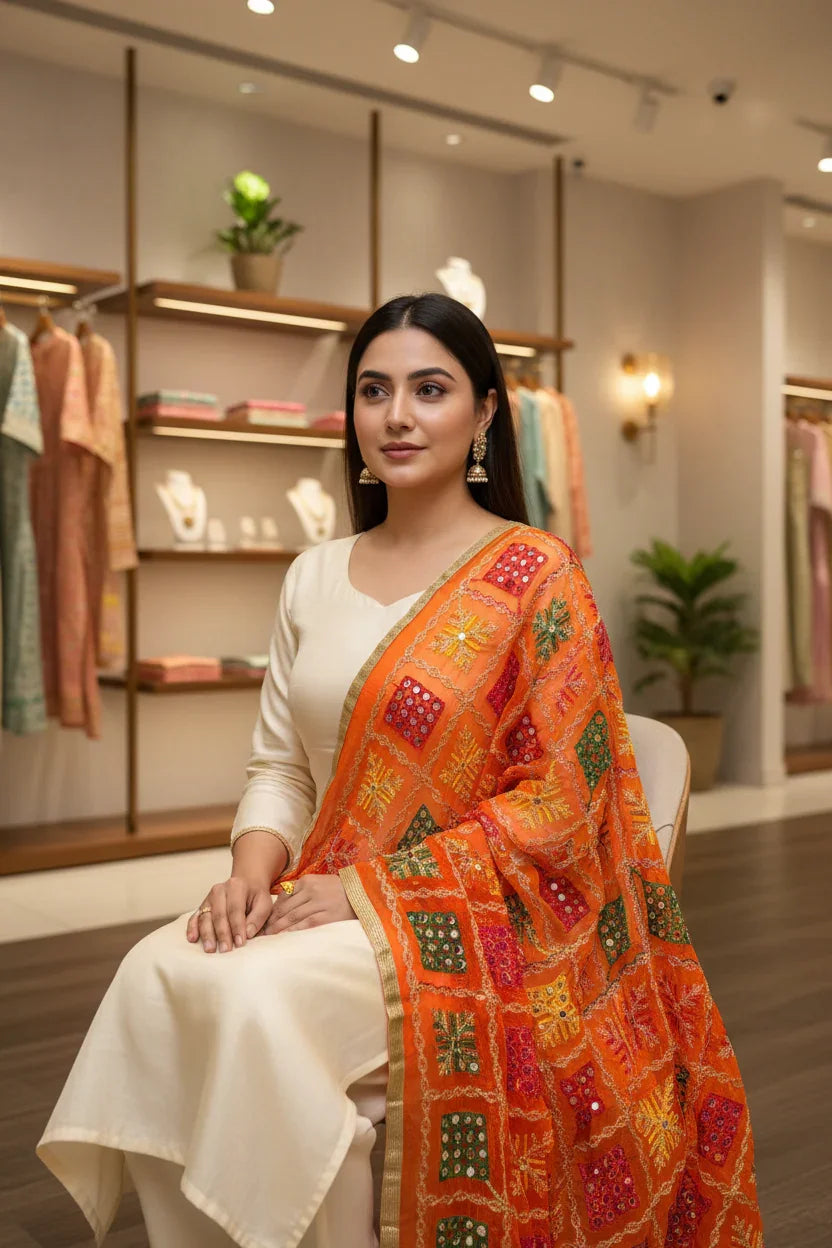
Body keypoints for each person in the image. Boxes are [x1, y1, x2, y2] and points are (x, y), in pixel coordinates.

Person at [38, 294, 763, 1247]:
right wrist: (248, 875)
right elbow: (281, 765)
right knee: (156, 971)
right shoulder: (313, 575)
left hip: (483, 919)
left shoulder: (538, 574)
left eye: (430, 389)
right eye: (374, 391)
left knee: (254, 1001)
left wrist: (372, 890)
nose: (397, 417)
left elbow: (561, 800)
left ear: (486, 411)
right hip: (318, 886)